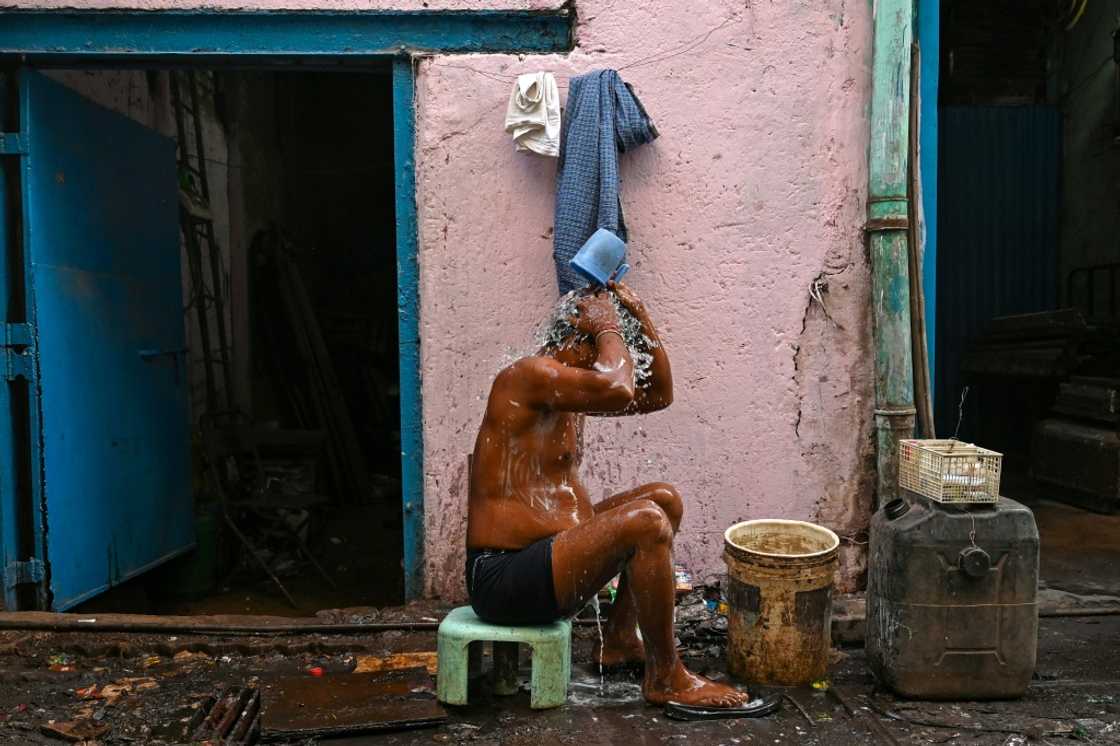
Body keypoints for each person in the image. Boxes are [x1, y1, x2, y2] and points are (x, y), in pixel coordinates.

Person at [466, 281, 748, 707]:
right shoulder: (529, 377)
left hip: (548, 558)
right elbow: (616, 386)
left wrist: (639, 317)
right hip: (504, 578)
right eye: (594, 349)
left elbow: (656, 395)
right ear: (569, 341)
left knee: (663, 500)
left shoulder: (565, 393)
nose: (602, 360)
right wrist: (607, 329)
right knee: (646, 524)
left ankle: (617, 639)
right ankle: (666, 677)